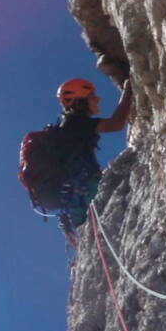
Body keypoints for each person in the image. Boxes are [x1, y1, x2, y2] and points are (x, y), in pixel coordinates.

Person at [49, 76, 132, 237]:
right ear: (81, 101)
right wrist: (128, 90)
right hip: (85, 190)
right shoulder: (75, 122)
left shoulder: (68, 124)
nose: (98, 99)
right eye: (92, 96)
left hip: (75, 195)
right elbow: (117, 123)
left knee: (95, 234)